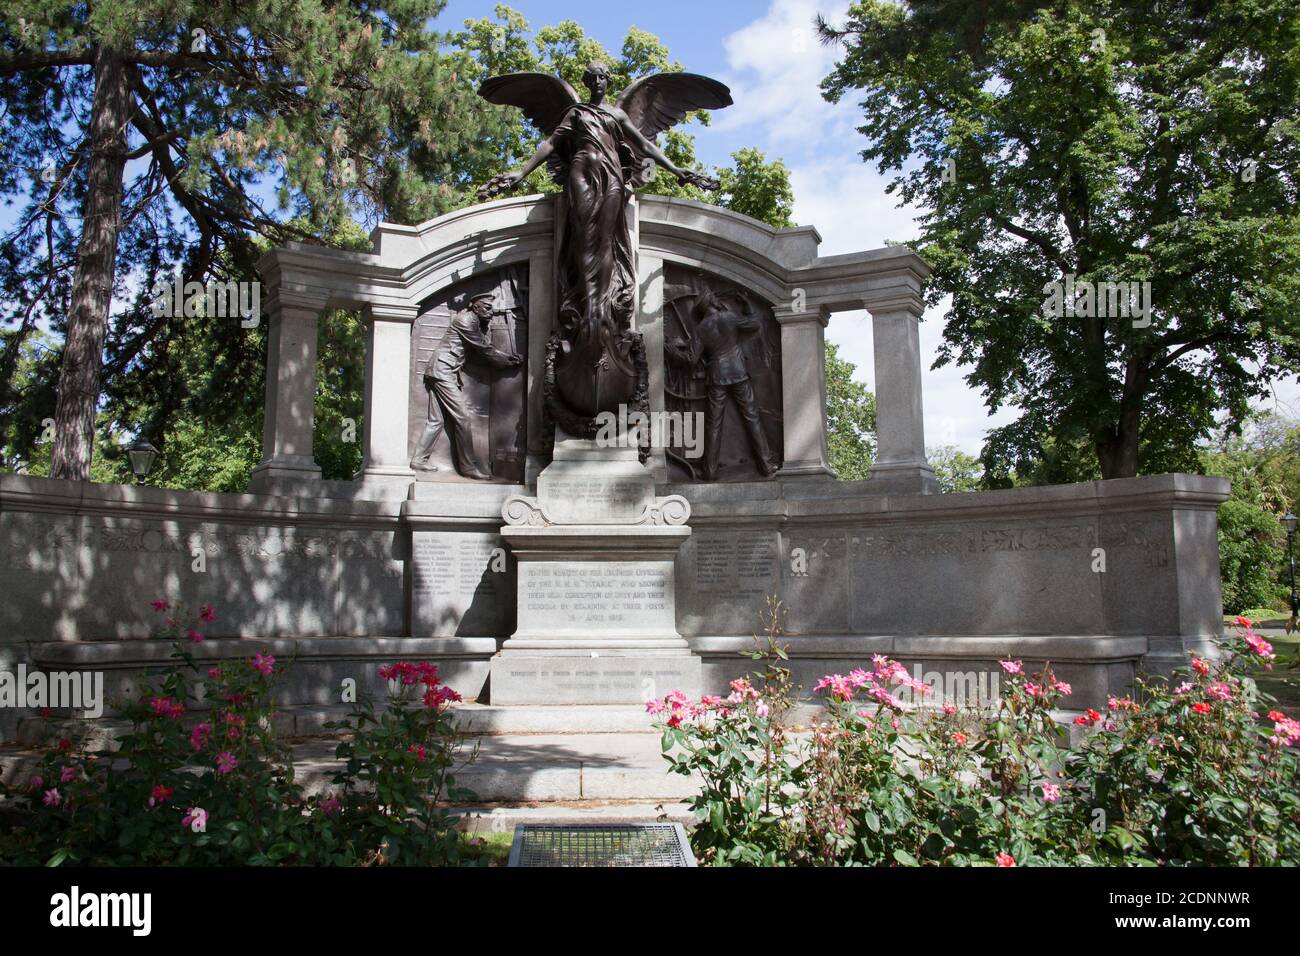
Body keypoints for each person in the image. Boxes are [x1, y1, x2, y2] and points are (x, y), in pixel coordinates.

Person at [410, 292, 522, 479]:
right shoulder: (466, 320)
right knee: (462, 417)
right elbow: (483, 349)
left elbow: (482, 344)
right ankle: (467, 467)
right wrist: (507, 361)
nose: (491, 312)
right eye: (486, 308)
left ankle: (419, 459)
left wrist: (506, 357)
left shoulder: (474, 321)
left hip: (442, 371)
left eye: (491, 309)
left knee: (436, 420)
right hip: (443, 370)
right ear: (474, 306)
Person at [669, 290, 778, 481]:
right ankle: (766, 465)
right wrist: (747, 306)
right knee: (752, 419)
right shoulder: (728, 317)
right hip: (738, 373)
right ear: (712, 301)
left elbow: (691, 359)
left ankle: (710, 472)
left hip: (717, 376)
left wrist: (671, 349)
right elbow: (754, 324)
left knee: (713, 425)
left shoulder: (701, 328)